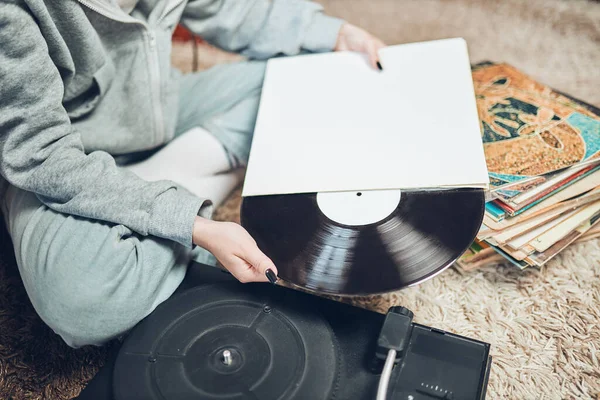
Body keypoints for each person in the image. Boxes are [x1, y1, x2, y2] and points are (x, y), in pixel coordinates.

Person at [0, 0, 385, 348]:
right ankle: (196, 178)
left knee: (320, 75)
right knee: (81, 301)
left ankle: (172, 175)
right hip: (57, 156)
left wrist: (335, 33)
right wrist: (189, 222)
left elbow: (227, 8)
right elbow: (41, 153)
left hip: (155, 108)